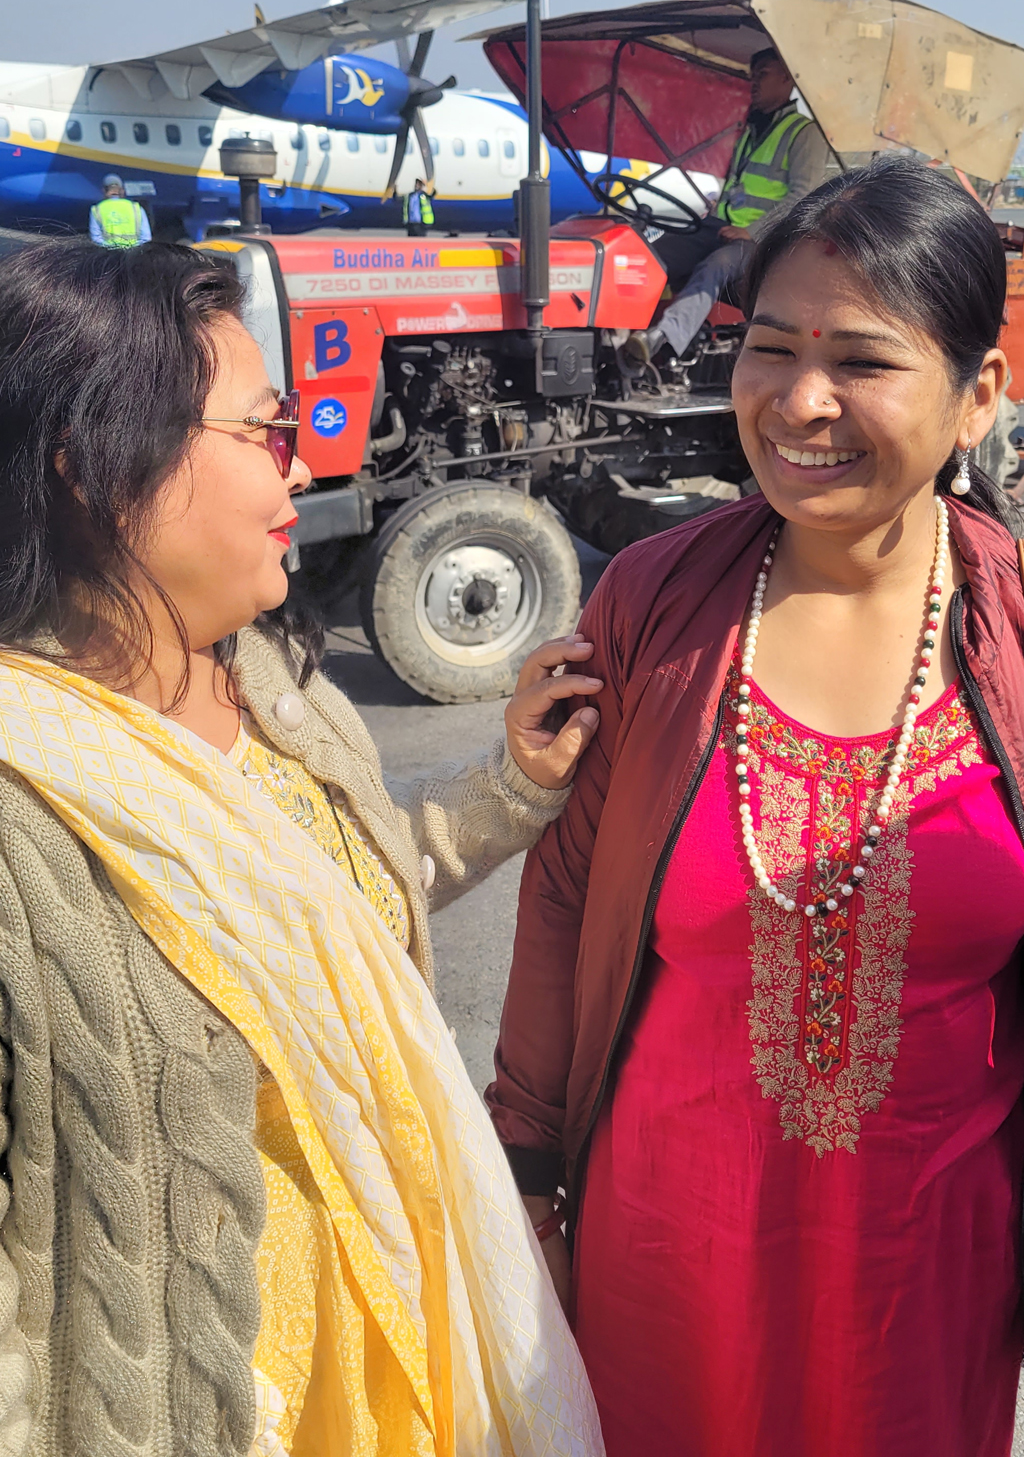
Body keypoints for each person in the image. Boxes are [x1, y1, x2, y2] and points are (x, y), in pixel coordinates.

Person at [0, 239, 605, 1457]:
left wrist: (509, 788)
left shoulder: (273, 687)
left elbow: (323, 916)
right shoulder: (26, 808)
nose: (304, 464)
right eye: (264, 433)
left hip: (397, 1386)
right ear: (89, 470)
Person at [489, 159, 1024, 1457]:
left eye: (863, 360)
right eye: (769, 347)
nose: (800, 401)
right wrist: (525, 1174)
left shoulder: (1014, 635)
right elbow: (567, 899)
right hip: (669, 1252)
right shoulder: (654, 607)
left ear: (979, 399)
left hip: (929, 1282)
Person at [625, 46, 830, 364]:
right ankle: (616, 328)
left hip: (766, 241)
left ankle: (660, 340)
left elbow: (803, 199)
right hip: (722, 226)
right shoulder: (751, 132)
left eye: (762, 74)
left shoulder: (805, 134)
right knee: (653, 253)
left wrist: (752, 231)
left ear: (788, 78)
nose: (753, 83)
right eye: (752, 76)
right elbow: (735, 187)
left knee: (718, 264)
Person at [89, 172, 152, 247]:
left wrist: (113, 248)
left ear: (103, 191)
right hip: (133, 255)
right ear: (122, 191)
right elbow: (146, 238)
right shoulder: (136, 208)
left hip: (109, 255)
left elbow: (96, 239)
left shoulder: (97, 210)